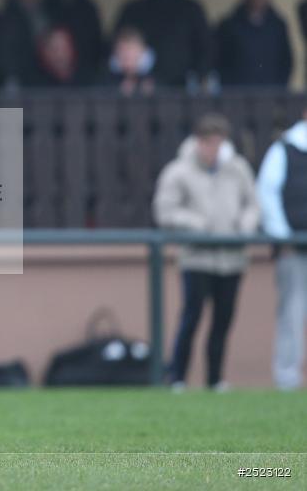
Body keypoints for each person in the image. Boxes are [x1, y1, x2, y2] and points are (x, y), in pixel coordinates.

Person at [153, 114, 259, 391]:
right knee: (191, 317)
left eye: (218, 142)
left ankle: (215, 379)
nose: (213, 148)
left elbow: (253, 204)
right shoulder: (178, 171)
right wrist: (198, 225)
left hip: (231, 258)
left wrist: (244, 226)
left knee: (223, 320)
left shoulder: (237, 169)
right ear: (198, 142)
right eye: (209, 142)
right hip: (196, 257)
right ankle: (177, 377)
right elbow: (165, 211)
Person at [257, 107, 307, 390]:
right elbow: (267, 192)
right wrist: (282, 237)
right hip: (295, 247)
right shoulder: (285, 149)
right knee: (292, 313)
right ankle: (288, 378)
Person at [114, 0, 211, 89]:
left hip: (181, 85)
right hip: (140, 86)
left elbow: (205, 46)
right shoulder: (135, 9)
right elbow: (117, 46)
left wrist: (200, 75)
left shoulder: (190, 9)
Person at [216, 0, 292, 88]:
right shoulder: (229, 25)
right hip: (236, 94)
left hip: (270, 93)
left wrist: (280, 86)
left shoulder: (278, 26)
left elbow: (286, 60)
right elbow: (219, 59)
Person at [43, 0, 103, 84]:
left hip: (84, 75)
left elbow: (97, 43)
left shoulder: (88, 7)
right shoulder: (42, 4)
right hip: (46, 78)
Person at [0, 0, 49, 89]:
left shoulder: (42, 14)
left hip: (43, 85)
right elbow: (5, 56)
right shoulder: (9, 19)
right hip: (24, 89)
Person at [101, 28, 157, 96]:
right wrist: (118, 92)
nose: (127, 55)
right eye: (122, 50)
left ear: (142, 52)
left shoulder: (155, 78)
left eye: (131, 50)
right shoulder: (105, 80)